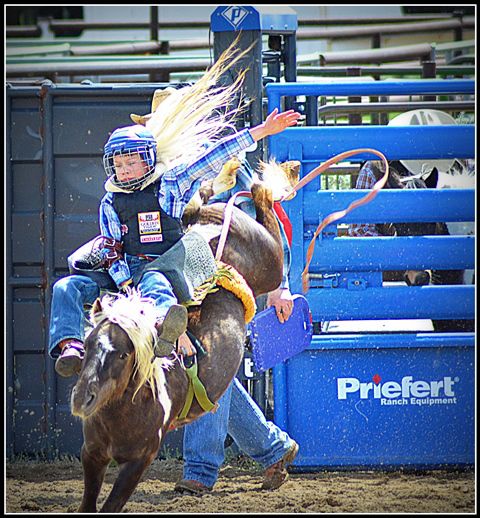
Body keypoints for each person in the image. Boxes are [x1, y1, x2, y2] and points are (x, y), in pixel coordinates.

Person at [48, 107, 301, 377]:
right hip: (123, 274)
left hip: (166, 265)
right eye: (118, 165)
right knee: (66, 287)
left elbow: (214, 156)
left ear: (148, 160)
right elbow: (112, 247)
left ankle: (166, 333)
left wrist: (262, 129)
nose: (124, 171)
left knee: (154, 282)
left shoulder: (171, 184)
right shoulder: (110, 201)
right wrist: (124, 284)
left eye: (131, 163)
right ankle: (71, 347)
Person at [175, 158, 300, 495]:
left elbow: (264, 220)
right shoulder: (166, 166)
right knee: (218, 374)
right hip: (186, 276)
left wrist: (280, 286)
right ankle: (272, 447)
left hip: (227, 281)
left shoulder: (228, 162)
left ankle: (200, 469)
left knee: (209, 364)